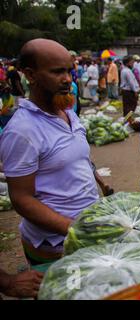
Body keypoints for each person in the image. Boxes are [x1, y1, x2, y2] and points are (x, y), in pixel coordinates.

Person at [0, 39, 99, 266]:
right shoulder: (22, 131)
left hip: (86, 231)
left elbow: (78, 160)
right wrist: (74, 229)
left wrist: (99, 183)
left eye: (69, 71)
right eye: (57, 72)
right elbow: (22, 199)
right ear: (30, 75)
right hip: (54, 245)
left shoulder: (67, 113)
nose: (67, 79)